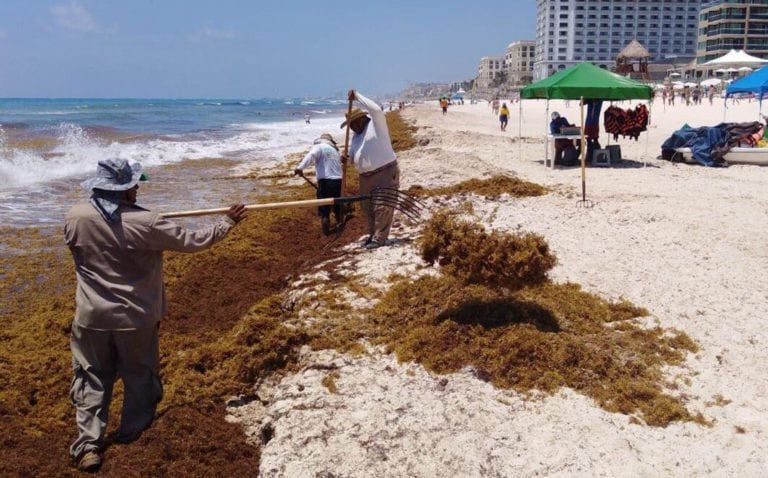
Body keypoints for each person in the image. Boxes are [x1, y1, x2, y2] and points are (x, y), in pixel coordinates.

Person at [64, 159, 247, 472]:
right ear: (123, 190)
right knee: (139, 375)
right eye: (134, 185)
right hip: (134, 318)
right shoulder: (147, 222)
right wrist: (226, 223)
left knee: (92, 377)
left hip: (90, 317)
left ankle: (89, 446)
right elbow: (193, 242)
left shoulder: (75, 217)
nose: (137, 188)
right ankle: (132, 434)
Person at [340, 89, 399, 249]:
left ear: (360, 119)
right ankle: (373, 235)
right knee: (368, 208)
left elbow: (376, 109)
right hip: (365, 177)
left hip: (385, 171)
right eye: (349, 126)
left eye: (352, 124)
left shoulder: (376, 124)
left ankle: (380, 238)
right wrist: (346, 157)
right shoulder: (355, 137)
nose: (351, 128)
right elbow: (352, 156)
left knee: (382, 205)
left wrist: (357, 96)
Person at [294, 133, 343, 235]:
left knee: (324, 206)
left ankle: (326, 226)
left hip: (325, 181)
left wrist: (300, 168)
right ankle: (340, 224)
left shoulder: (319, 146)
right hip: (338, 180)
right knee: (337, 203)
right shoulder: (335, 150)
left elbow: (311, 155)